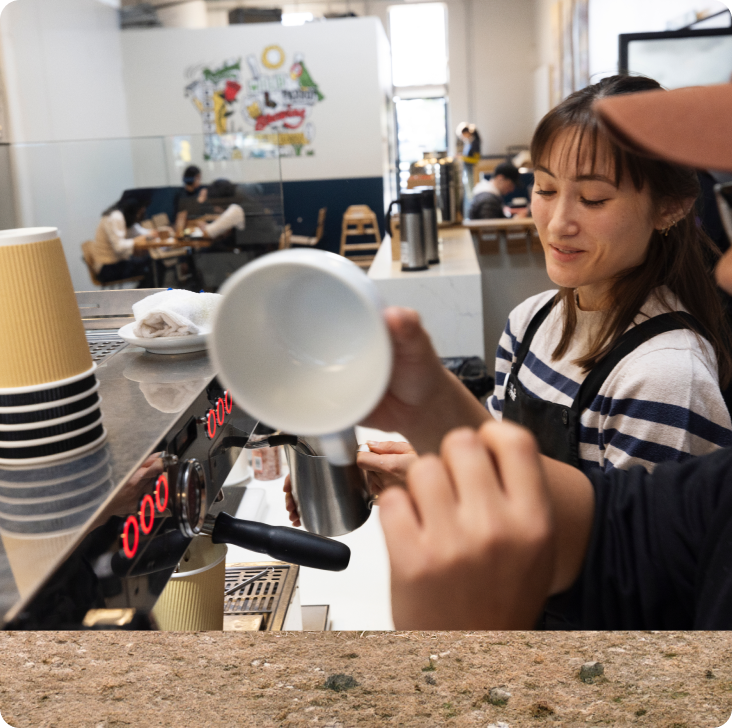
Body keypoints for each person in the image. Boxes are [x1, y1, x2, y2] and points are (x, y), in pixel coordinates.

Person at [378, 80, 732, 630]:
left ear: (669, 208)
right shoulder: (529, 321)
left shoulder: (665, 376)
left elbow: (636, 595)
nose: (559, 222)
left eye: (593, 199)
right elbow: (508, 476)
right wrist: (432, 462)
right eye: (544, 189)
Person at [89, 196, 157, 287]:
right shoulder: (115, 217)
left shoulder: (122, 216)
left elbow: (137, 231)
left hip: (115, 264)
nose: (140, 216)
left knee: (152, 262)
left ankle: (141, 293)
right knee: (154, 265)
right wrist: (136, 241)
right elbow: (119, 247)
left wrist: (154, 233)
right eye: (140, 212)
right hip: (107, 268)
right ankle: (141, 294)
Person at [458, 122, 481, 214]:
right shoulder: (468, 143)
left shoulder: (475, 143)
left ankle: (472, 214)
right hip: (467, 171)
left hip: (472, 171)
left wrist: (462, 158)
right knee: (468, 193)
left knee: (471, 193)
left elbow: (476, 160)